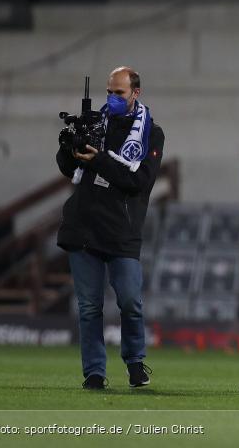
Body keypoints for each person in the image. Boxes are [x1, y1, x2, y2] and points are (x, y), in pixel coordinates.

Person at [56, 66, 164, 390]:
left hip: (122, 231)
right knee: (89, 307)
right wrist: (68, 148)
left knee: (130, 300)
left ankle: (134, 362)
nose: (113, 98)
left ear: (136, 93)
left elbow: (140, 180)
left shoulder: (151, 134)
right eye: (109, 92)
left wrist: (99, 158)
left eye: (119, 92)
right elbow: (67, 168)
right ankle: (94, 372)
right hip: (84, 227)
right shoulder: (95, 125)